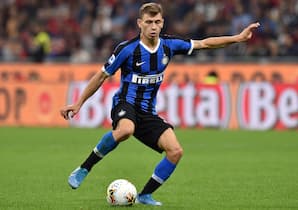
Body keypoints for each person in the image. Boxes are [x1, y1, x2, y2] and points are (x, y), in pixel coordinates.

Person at [60, 2, 260, 206]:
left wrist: (238, 38)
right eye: (148, 22)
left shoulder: (169, 45)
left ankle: (144, 195)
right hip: (125, 103)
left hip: (147, 112)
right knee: (126, 130)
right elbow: (101, 76)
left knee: (175, 151)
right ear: (140, 23)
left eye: (157, 22)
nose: (153, 26)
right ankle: (84, 168)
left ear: (162, 23)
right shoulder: (127, 50)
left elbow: (205, 43)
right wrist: (78, 103)